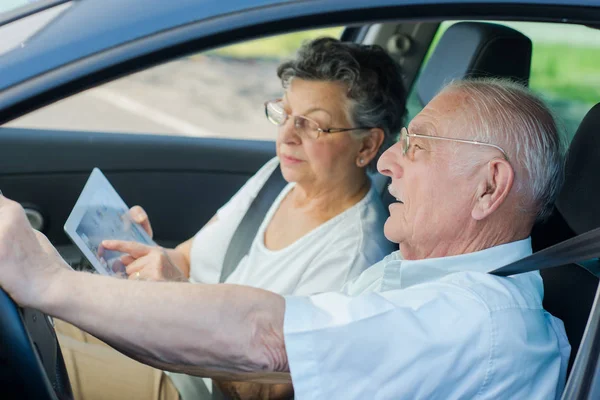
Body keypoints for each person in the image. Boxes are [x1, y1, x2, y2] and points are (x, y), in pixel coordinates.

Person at [0, 78, 571, 399]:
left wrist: (46, 279)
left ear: (488, 186)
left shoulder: (474, 323)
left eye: (418, 145)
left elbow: (268, 343)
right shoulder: (414, 279)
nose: (391, 162)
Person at [54, 37, 405, 400]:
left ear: (367, 146)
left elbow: (260, 392)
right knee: (37, 318)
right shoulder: (278, 178)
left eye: (311, 125)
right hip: (160, 337)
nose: (285, 136)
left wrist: (178, 296)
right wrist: (146, 254)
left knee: (36, 357)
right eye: (284, 115)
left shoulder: (352, 259)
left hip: (193, 387)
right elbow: (188, 258)